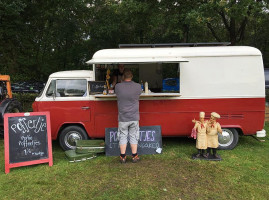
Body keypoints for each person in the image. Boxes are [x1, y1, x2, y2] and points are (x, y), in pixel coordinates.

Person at [115, 68, 142, 163]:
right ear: (132, 76)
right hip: (134, 116)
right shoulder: (138, 86)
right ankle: (134, 156)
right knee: (134, 135)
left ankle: (123, 156)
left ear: (123, 77)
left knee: (123, 135)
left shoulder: (118, 87)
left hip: (123, 117)